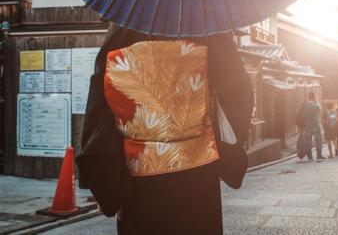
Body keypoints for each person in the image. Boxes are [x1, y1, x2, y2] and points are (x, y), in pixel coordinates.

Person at [77, 25, 254, 234]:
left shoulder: (124, 26)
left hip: (139, 179)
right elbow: (238, 94)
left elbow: (101, 106)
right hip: (197, 175)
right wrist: (221, 147)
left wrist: (107, 182)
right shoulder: (208, 27)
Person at [302, 92, 324, 161]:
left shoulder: (305, 105)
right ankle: (319, 156)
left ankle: (310, 157)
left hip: (307, 125)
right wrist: (316, 100)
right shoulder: (315, 105)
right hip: (315, 125)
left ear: (308, 97)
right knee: (318, 140)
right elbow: (320, 107)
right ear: (313, 97)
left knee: (308, 141)